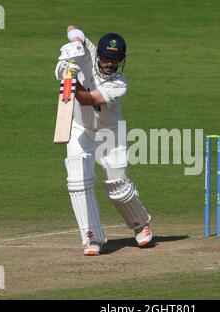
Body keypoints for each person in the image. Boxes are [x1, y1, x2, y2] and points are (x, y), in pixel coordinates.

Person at [54, 25, 153, 256]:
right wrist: (75, 47)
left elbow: (88, 99)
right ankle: (92, 238)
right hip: (80, 128)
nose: (109, 63)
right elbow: (71, 28)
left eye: (115, 59)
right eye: (106, 57)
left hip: (109, 133)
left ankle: (140, 223)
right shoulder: (87, 50)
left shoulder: (120, 84)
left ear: (122, 59)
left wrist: (71, 83)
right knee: (78, 179)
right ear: (98, 52)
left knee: (117, 187)